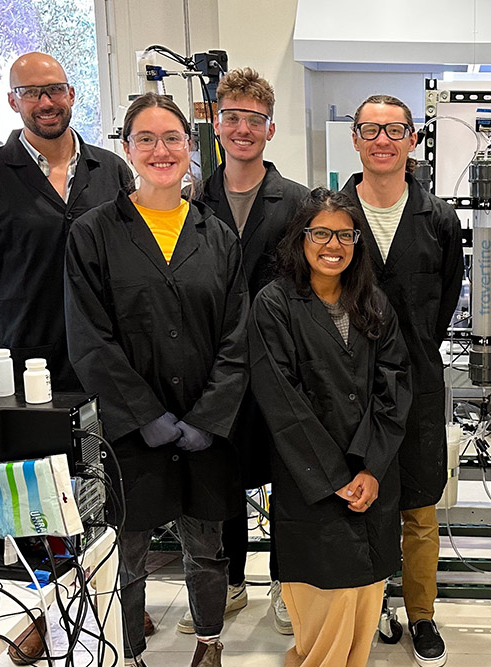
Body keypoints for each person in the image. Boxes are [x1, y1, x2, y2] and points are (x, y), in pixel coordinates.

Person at [64, 92, 249, 667]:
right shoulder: (94, 232)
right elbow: (89, 337)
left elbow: (238, 334)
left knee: (207, 546)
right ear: (127, 150)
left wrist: (207, 417)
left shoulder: (216, 235)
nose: (160, 150)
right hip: (130, 430)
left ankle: (208, 644)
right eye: (146, 139)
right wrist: (145, 416)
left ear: (192, 148)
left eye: (172, 138)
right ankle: (131, 651)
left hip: (203, 426)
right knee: (129, 550)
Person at [248, 187, 412, 667]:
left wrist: (371, 469)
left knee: (363, 600)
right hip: (312, 483)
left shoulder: (373, 304)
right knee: (323, 613)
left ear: (358, 241)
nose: (333, 245)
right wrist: (339, 477)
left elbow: (395, 387)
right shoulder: (274, 305)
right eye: (321, 233)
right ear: (300, 238)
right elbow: (282, 401)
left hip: (371, 478)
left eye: (345, 234)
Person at [181, 67, 308, 637]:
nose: (241, 129)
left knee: (288, 473)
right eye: (230, 117)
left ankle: (285, 582)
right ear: (216, 127)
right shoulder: (191, 200)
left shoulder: (298, 202)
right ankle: (229, 582)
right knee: (219, 471)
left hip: (281, 363)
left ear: (270, 129)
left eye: (252, 120)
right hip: (213, 364)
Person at [340, 95, 464, 666]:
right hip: (346, 386)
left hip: (416, 382)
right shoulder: (333, 216)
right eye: (371, 129)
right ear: (356, 139)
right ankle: (368, 607)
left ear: (413, 140)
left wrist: (413, 353)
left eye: (395, 130)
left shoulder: (438, 219)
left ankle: (420, 614)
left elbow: (443, 303)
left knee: (418, 506)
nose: (382, 139)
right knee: (358, 500)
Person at [0, 51, 131, 391]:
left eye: (55, 90)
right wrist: (11, 315)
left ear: (71, 94)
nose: (46, 102)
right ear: (13, 101)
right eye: (31, 92)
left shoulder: (111, 170)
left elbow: (132, 258)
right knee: (42, 443)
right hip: (29, 355)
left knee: (108, 443)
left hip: (110, 350)